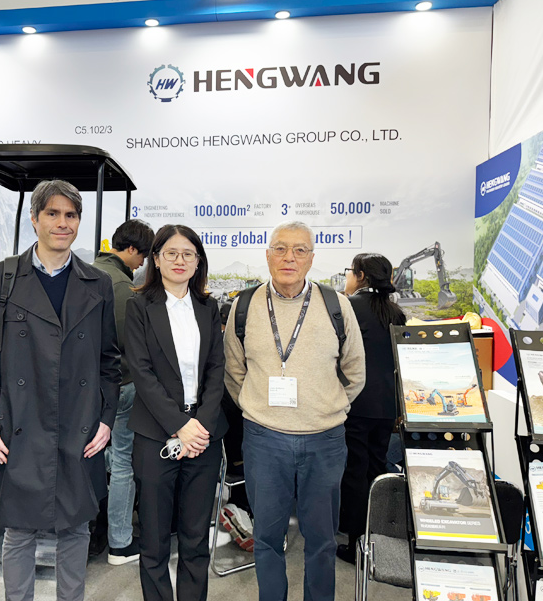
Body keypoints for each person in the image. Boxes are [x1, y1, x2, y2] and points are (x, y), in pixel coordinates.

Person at [0, 179, 121, 601]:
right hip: (19, 423)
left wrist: (106, 419)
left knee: (76, 527)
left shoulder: (97, 283)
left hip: (79, 423)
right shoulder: (1, 279)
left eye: (71, 215)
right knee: (19, 530)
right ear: (34, 219)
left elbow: (109, 359)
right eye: (52, 213)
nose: (62, 223)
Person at [224, 220, 366, 601]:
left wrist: (325, 409)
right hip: (264, 440)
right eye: (281, 248)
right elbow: (234, 372)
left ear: (311, 259)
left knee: (322, 540)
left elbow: (355, 372)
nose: (290, 257)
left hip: (324, 440)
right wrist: (259, 410)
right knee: (267, 538)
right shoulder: (244, 306)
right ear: (267, 255)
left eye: (300, 250)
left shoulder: (337, 306)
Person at [125, 224, 227, 601]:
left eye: (188, 254)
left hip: (203, 435)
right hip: (156, 435)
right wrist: (179, 425)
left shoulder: (208, 307)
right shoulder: (139, 307)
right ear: (156, 259)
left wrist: (199, 426)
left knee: (195, 538)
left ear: (198, 261)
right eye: (171, 253)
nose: (180, 260)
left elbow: (217, 368)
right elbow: (142, 372)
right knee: (153, 540)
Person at [91, 219, 155, 566]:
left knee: (95, 456)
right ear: (131, 249)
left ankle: (92, 531)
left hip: (87, 389)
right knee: (124, 462)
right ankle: (120, 542)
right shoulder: (121, 287)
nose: (142, 263)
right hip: (120, 385)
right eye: (142, 256)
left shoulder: (86, 272)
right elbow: (130, 344)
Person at [336, 253, 407, 564]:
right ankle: (375, 540)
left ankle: (355, 543)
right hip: (387, 405)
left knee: (354, 471)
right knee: (377, 470)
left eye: (350, 272)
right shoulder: (396, 313)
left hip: (356, 403)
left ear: (361, 275)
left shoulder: (348, 307)